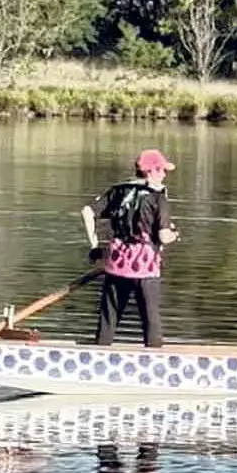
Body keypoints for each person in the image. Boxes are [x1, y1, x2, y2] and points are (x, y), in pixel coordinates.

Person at [81, 148, 179, 349]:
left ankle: (99, 353)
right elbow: (162, 236)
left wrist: (94, 246)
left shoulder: (118, 190)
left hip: (116, 262)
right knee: (150, 318)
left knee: (109, 317)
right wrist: (175, 235)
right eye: (162, 170)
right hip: (145, 267)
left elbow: (87, 212)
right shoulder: (158, 197)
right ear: (151, 172)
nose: (164, 174)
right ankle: (155, 360)